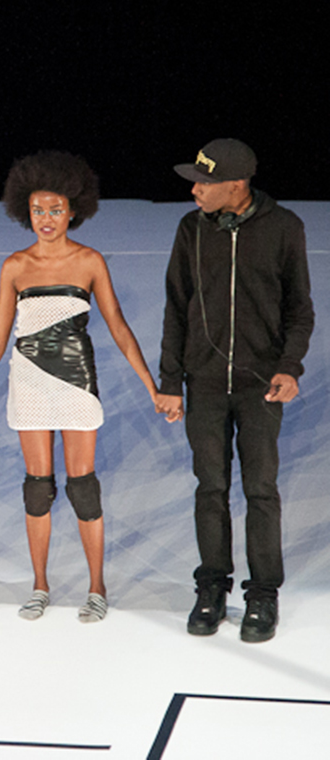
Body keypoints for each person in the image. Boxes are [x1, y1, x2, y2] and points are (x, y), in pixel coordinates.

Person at [0, 151, 162, 623]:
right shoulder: (15, 265)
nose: (46, 219)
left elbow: (118, 326)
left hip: (76, 382)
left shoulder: (90, 261)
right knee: (37, 489)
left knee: (83, 488)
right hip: (29, 382)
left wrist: (152, 388)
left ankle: (96, 587)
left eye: (55, 209)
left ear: (73, 210)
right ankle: (40, 586)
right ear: (25, 211)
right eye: (38, 210)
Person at [158, 139, 314, 643]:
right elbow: (176, 307)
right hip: (203, 384)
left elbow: (299, 309)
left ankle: (263, 593)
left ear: (237, 184)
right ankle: (211, 586)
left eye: (205, 182)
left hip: (260, 386)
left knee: (261, 489)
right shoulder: (191, 229)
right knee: (211, 487)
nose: (195, 190)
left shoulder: (284, 227)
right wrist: (170, 381)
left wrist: (289, 367)